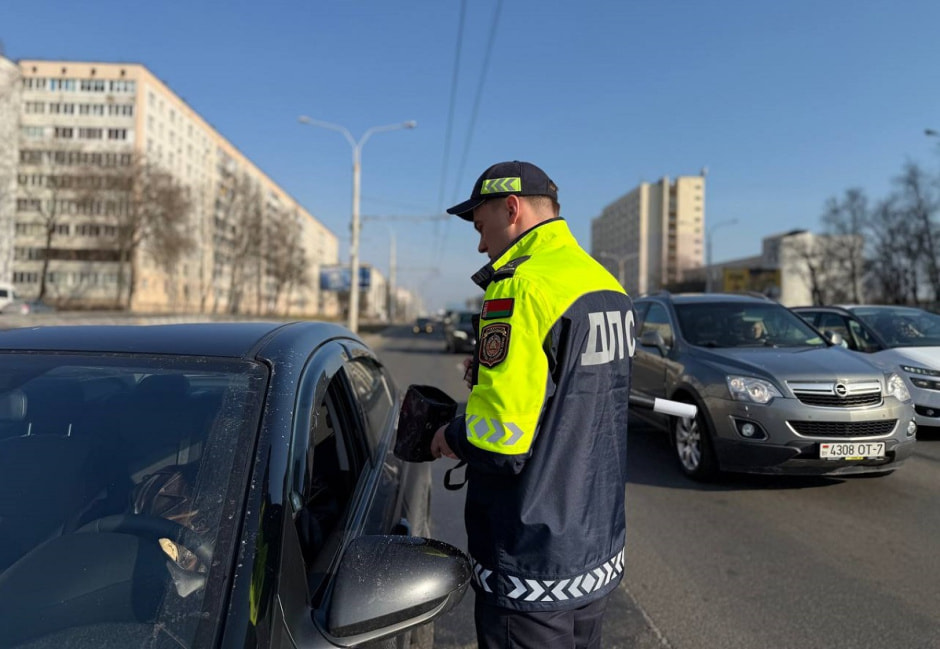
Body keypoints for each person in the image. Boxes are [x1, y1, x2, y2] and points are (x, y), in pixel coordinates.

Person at [430, 161, 635, 649]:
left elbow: (501, 438)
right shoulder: (606, 284)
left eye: (481, 228)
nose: (482, 245)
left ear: (512, 209)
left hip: (532, 554)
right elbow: (575, 395)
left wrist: (447, 437)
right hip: (595, 544)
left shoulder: (520, 285)